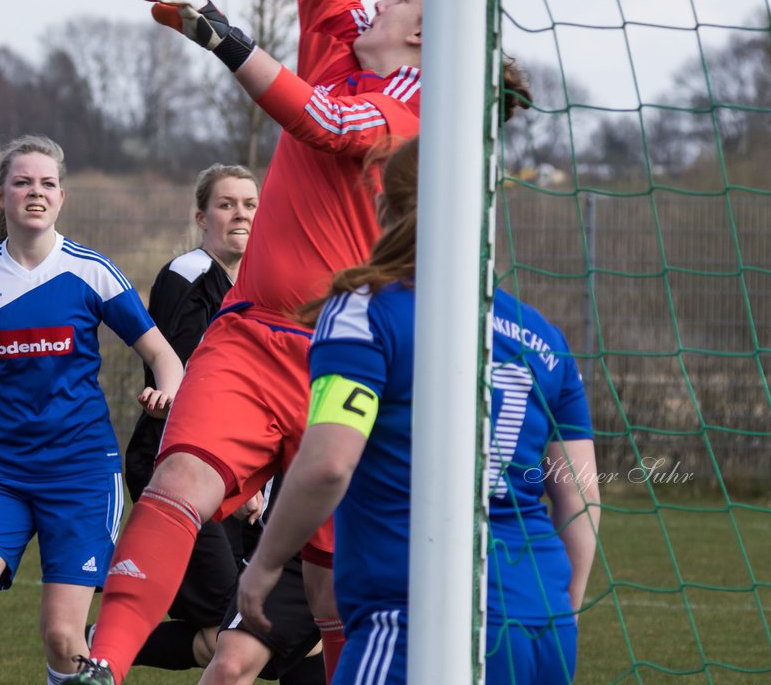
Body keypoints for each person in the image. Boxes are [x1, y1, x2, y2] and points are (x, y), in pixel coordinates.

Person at [70, 0, 434, 681]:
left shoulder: (420, 104)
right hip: (248, 336)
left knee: (336, 589)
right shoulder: (342, 43)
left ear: (427, 37)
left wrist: (225, 39)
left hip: (346, 359)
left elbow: (329, 126)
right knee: (178, 488)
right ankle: (103, 668)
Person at [237, 137, 601, 685]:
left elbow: (329, 464)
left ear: (383, 209)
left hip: (414, 622)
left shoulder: (363, 311)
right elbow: (579, 494)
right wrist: (560, 606)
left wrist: (264, 564)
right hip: (541, 627)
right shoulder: (542, 337)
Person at [0, 134, 184, 685]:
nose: (35, 192)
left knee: (62, 637)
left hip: (79, 473)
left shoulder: (92, 271)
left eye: (46, 183)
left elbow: (164, 356)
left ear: (61, 197)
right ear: (1, 195)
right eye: (22, 182)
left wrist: (166, 390)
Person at [122, 164, 325, 685]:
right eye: (226, 203)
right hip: (185, 465)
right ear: (200, 216)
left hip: (243, 472)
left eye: (251, 203)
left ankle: (100, 642)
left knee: (264, 627)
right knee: (239, 622)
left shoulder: (265, 284)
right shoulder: (188, 275)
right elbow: (188, 370)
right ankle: (98, 648)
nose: (241, 214)